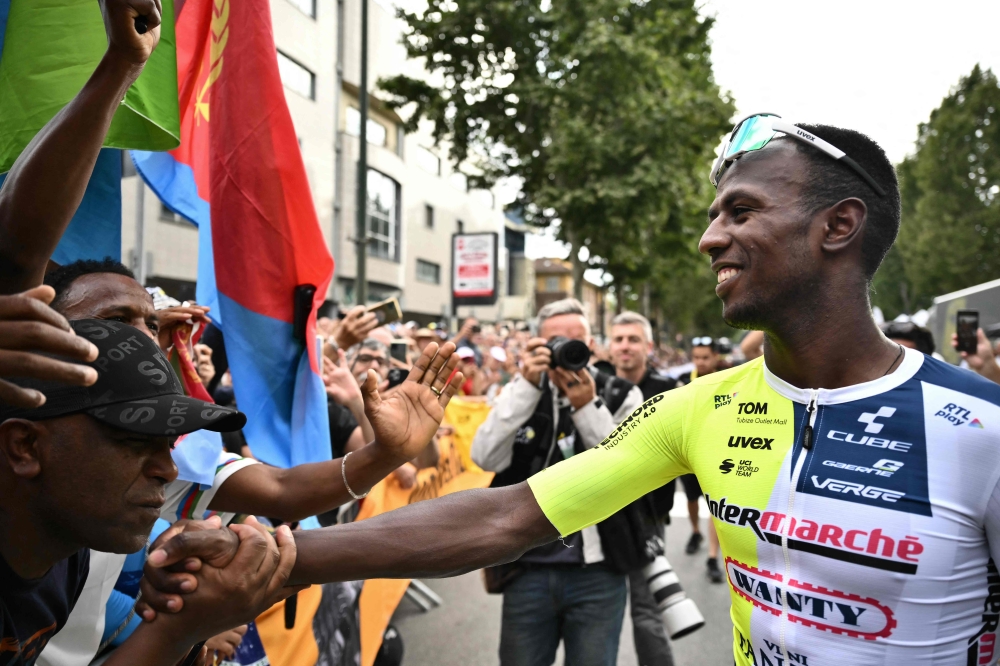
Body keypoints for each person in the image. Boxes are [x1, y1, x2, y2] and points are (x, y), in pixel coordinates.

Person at [136, 116, 1000, 666]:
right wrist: (278, 559)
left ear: (837, 226)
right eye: (714, 215)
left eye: (739, 211)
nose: (709, 238)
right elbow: (503, 512)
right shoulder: (699, 408)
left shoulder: (980, 430)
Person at [0, 317, 298, 666]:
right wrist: (179, 630)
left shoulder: (65, 552)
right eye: (133, 440)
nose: (169, 470)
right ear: (25, 446)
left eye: (169, 445)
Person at [469, 298, 644, 666]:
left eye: (576, 340)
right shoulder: (520, 393)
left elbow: (625, 474)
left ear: (592, 345)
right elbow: (485, 456)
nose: (566, 350)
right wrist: (526, 387)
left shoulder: (621, 394)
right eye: (555, 342)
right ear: (536, 346)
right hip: (527, 566)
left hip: (598, 570)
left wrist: (587, 408)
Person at [608, 312, 678, 666]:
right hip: (598, 519)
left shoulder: (668, 391)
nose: (625, 346)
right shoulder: (594, 385)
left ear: (648, 347)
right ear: (609, 345)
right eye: (618, 339)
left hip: (647, 518)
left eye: (633, 339)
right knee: (593, 614)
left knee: (647, 615)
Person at [672, 337, 724, 582]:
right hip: (688, 455)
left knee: (715, 506)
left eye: (705, 357)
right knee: (692, 499)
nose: (701, 362)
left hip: (719, 455)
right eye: (696, 358)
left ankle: (713, 557)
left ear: (715, 357)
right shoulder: (681, 382)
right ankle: (695, 532)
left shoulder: (729, 380)